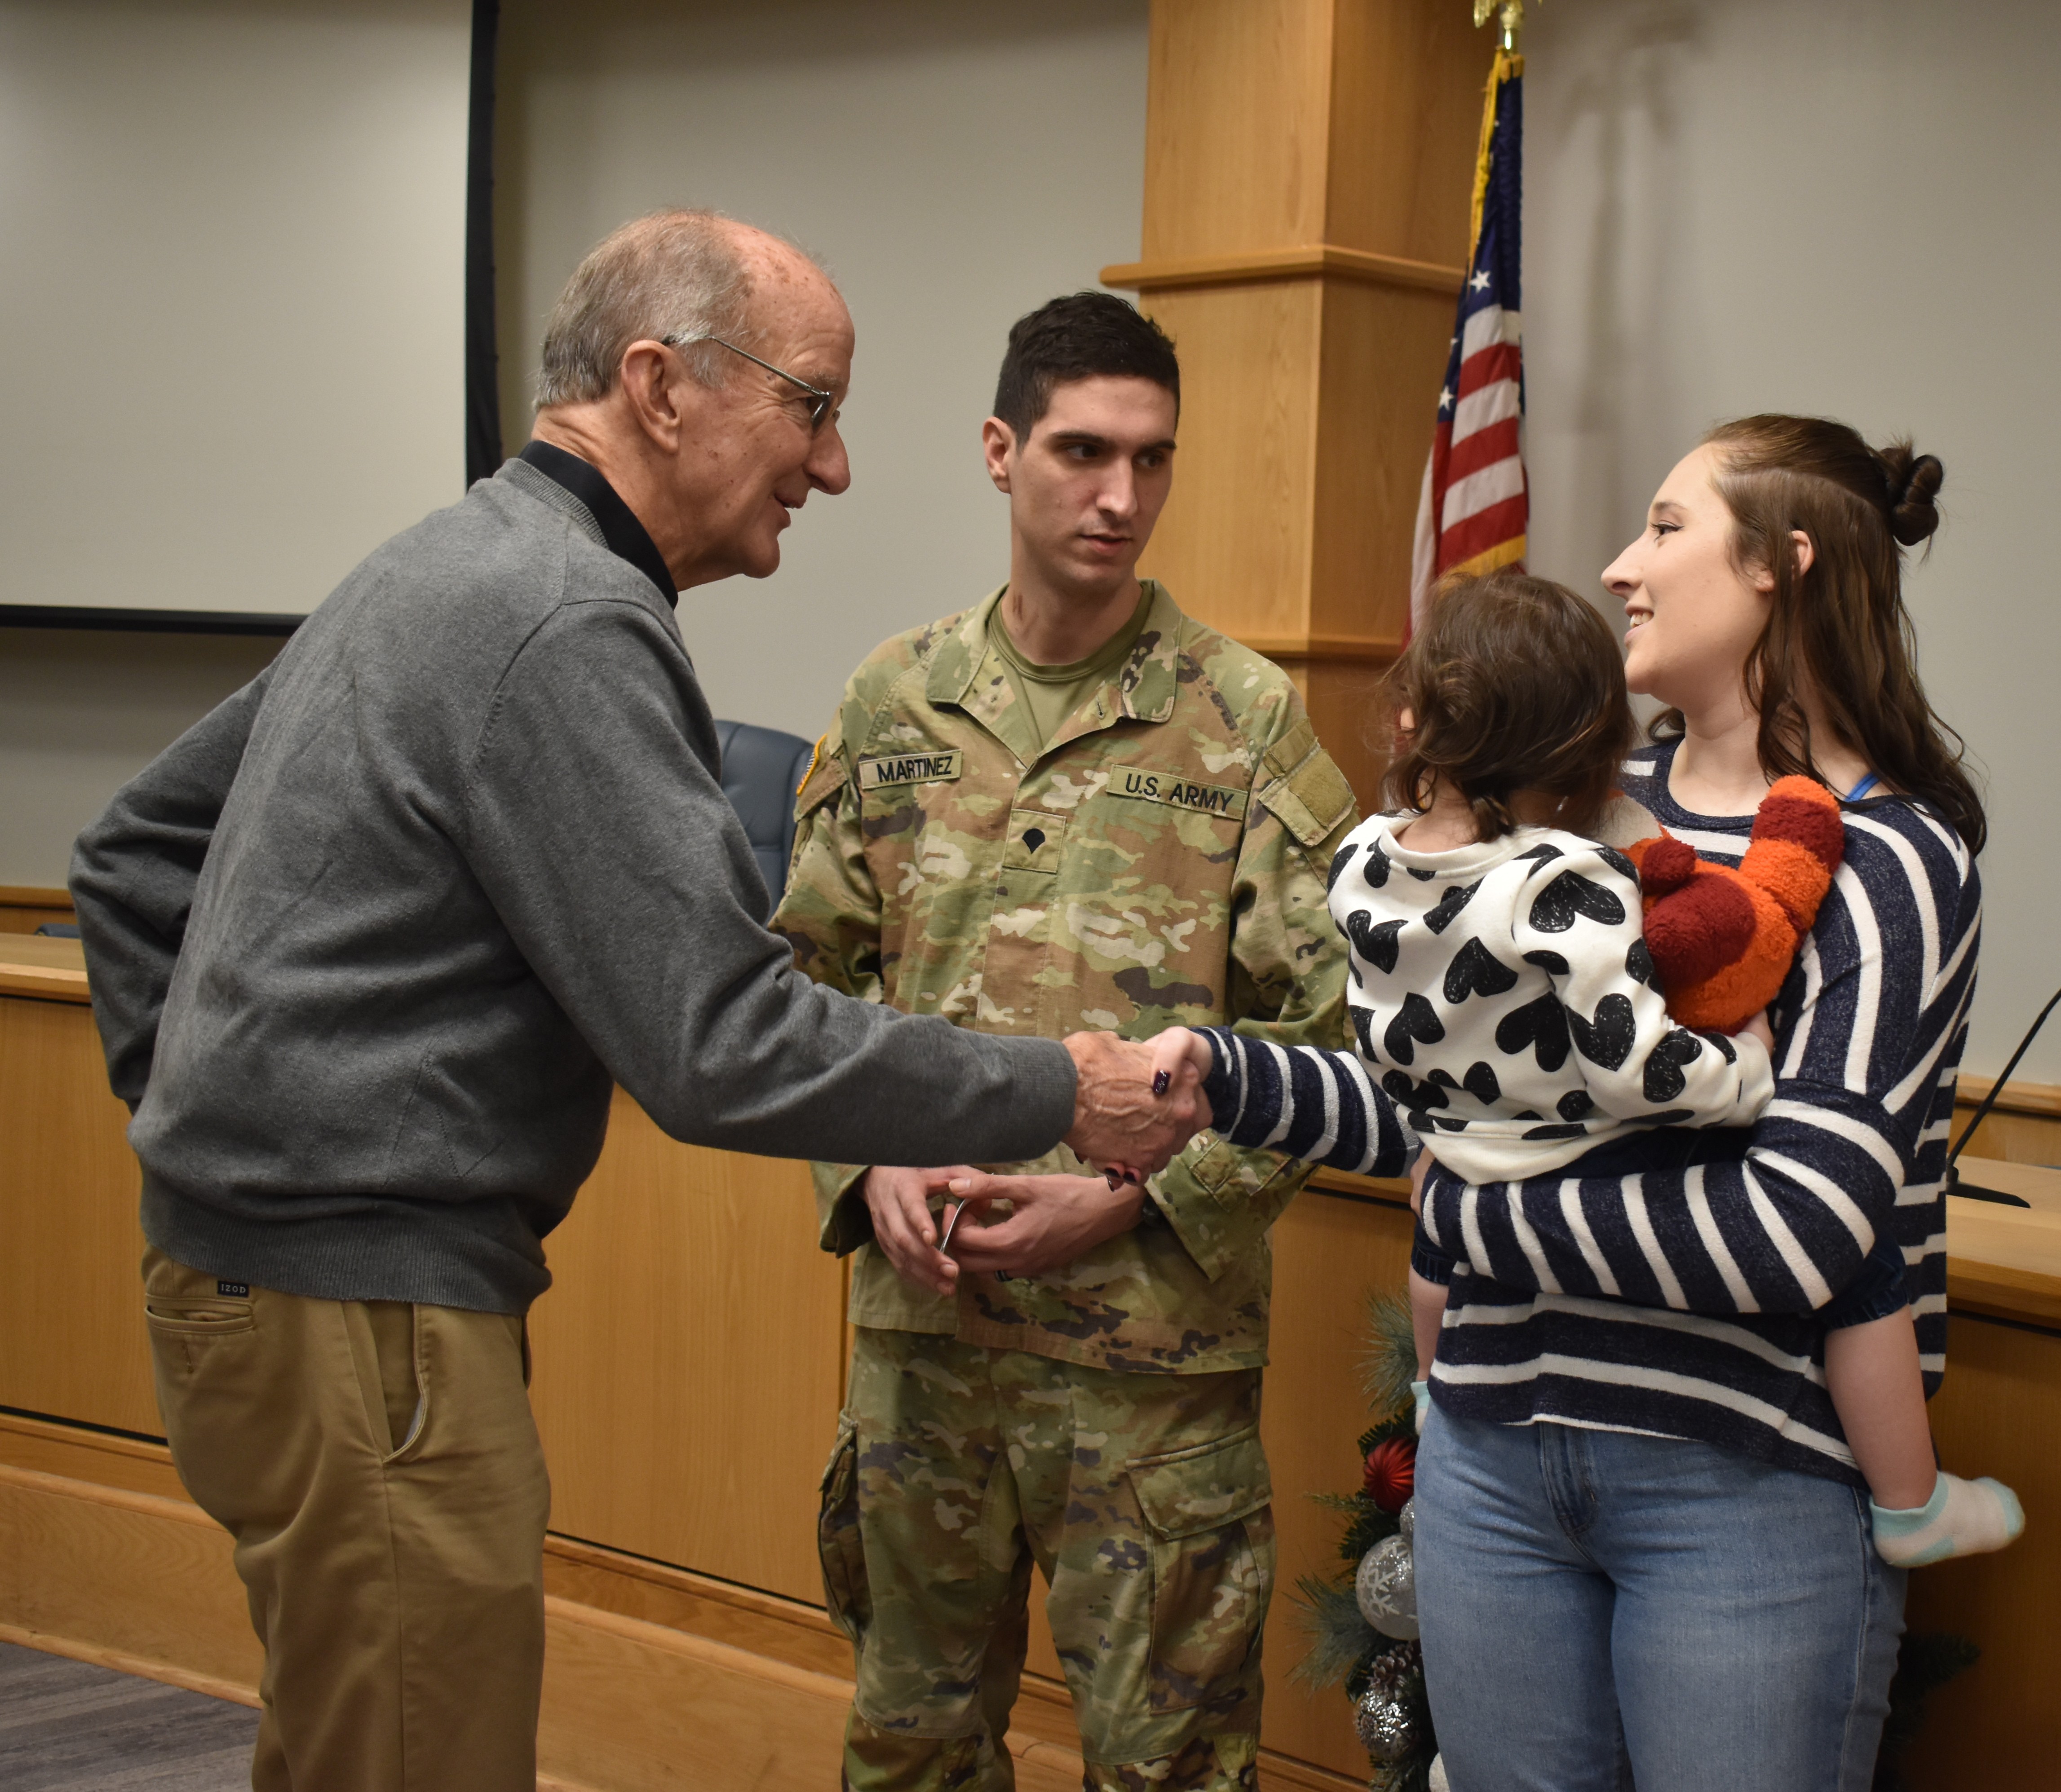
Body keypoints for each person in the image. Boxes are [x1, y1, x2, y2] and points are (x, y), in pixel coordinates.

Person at [68, 213, 1195, 1792]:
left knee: (351, 1742)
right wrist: (1057, 1089)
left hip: (263, 1293)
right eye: (813, 405)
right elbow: (716, 1046)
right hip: (361, 1315)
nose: (835, 464)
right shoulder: (567, 619)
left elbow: (130, 860)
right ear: (661, 386)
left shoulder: (448, 560)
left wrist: (224, 1143)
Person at [1163, 416, 1996, 1787]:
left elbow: (1790, 1235)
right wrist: (1223, 1078)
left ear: (1781, 565)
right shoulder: (1563, 816)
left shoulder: (1889, 857)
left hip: (1741, 1488)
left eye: (1664, 528)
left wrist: (1460, 1221)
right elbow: (1438, 1099)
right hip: (1492, 1465)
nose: (1619, 566)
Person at [770, 291, 1402, 1792]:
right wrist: (870, 1169)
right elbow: (802, 986)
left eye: (1151, 460)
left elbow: (1337, 1043)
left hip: (1148, 1379)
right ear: (1000, 451)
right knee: (910, 1749)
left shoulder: (1242, 724)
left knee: (1169, 1770)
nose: (1119, 497)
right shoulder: (890, 701)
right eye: (1079, 451)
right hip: (922, 1358)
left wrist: (1126, 1198)